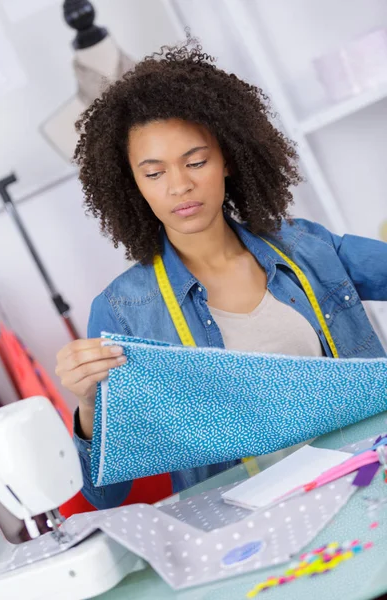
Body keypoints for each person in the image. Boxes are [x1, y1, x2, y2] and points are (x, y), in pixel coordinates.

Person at [55, 40, 387, 510]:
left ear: (227, 158)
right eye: (153, 173)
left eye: (195, 161)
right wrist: (88, 407)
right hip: (248, 531)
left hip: (366, 491)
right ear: (131, 184)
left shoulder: (308, 249)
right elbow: (105, 494)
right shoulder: (123, 312)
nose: (180, 185)